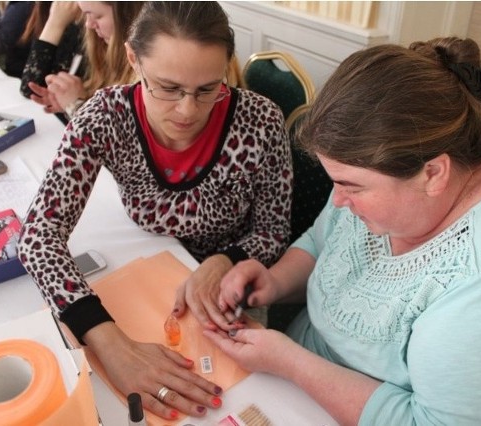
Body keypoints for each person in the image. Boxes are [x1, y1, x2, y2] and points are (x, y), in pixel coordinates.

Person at [206, 37, 481, 425]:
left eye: (351, 186)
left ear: (434, 174)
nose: (339, 200)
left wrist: (290, 363)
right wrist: (275, 281)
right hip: (287, 373)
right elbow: (322, 238)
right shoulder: (434, 143)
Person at [17, 1, 292, 421]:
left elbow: (274, 231)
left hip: (231, 287)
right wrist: (108, 341)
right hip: (145, 264)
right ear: (133, 58)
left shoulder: (260, 121)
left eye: (207, 89)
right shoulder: (103, 117)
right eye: (166, 87)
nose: (187, 111)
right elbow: (38, 236)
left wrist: (226, 259)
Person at [24, 2, 144, 123]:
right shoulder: (100, 44)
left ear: (127, 15)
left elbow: (114, 136)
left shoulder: (145, 72)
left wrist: (77, 106)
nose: (88, 24)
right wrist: (66, 102)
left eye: (97, 16)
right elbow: (30, 88)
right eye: (86, 14)